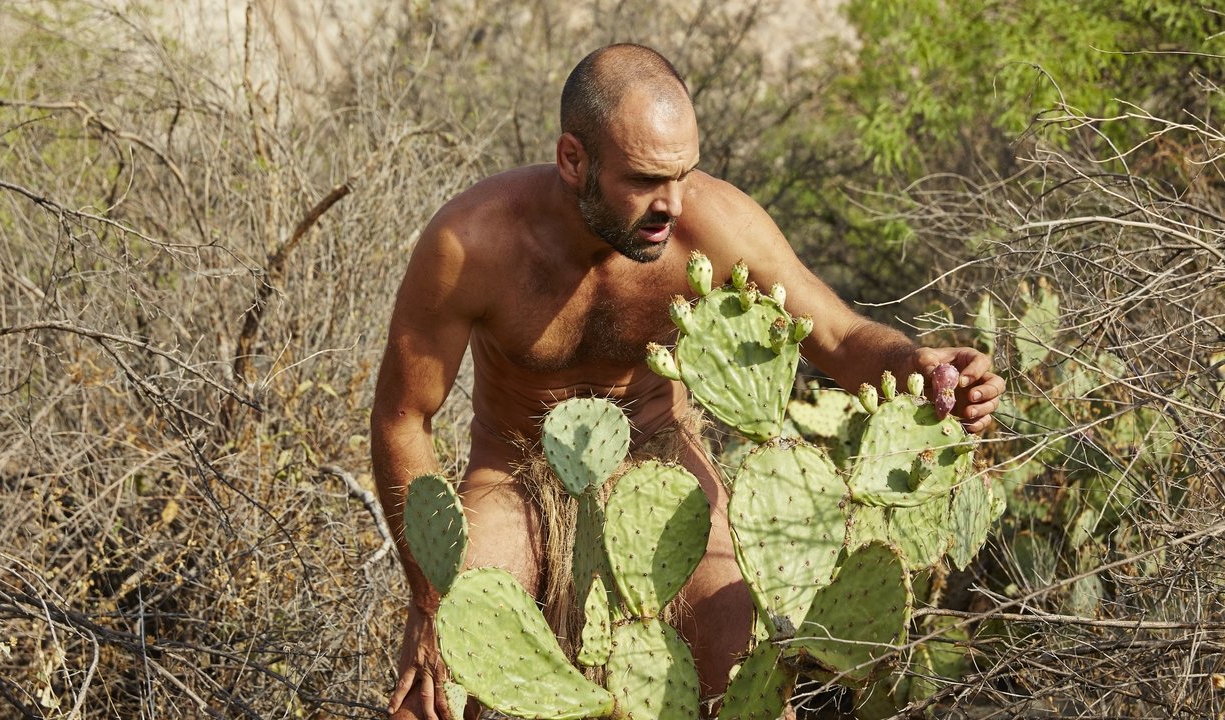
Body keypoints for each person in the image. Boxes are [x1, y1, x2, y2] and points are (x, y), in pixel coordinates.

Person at [370, 43, 1004, 720]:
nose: (672, 203)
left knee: (750, 686)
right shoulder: (471, 243)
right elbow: (402, 418)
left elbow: (842, 339)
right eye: (645, 180)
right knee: (430, 698)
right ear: (572, 160)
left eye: (683, 173)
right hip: (516, 472)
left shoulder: (712, 224)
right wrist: (428, 600)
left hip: (661, 465)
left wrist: (916, 365)